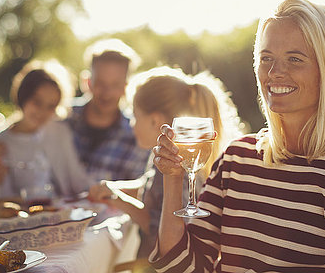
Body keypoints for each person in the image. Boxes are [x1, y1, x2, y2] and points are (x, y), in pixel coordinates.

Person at [151, 0, 325, 272]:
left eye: (294, 59)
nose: (274, 73)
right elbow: (182, 267)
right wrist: (173, 177)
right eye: (266, 59)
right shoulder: (236, 160)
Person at [87, 67, 242, 270]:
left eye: (134, 116)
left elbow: (158, 227)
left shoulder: (175, 167)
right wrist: (113, 187)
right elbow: (147, 185)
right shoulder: (161, 157)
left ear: (155, 121)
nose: (131, 124)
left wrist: (117, 199)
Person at [0, 60, 91, 202]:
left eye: (51, 106)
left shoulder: (60, 132)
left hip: (62, 214)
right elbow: (2, 200)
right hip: (25, 219)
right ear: (23, 96)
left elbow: (77, 180)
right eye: (37, 102)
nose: (42, 112)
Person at [68, 38, 150, 182]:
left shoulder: (137, 135)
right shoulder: (63, 118)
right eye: (101, 83)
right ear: (87, 82)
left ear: (126, 88)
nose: (107, 93)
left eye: (115, 85)